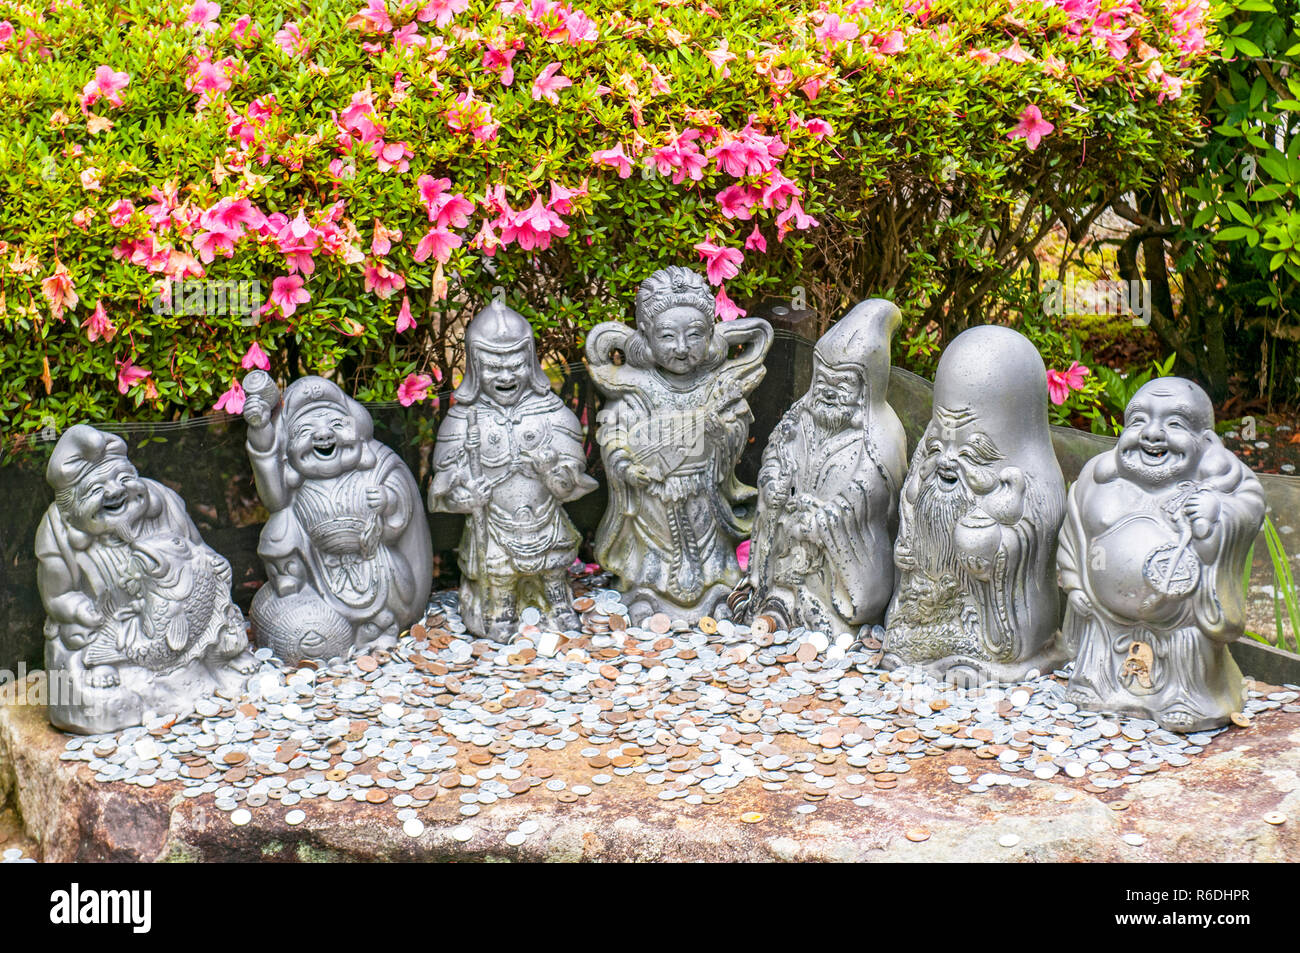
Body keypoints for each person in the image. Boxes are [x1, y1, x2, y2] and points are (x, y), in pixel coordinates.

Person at [1058, 377, 1263, 731]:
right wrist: (1076, 584)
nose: (1152, 434)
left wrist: (1217, 514)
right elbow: (1072, 536)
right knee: (1099, 652)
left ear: (1207, 442)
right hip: (1107, 615)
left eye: (1174, 424)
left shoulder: (1219, 482)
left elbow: (1247, 511)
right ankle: (1096, 682)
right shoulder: (1099, 478)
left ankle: (1185, 697)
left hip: (1180, 618)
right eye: (1139, 421)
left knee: (1187, 643)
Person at [587, 266, 772, 624]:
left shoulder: (717, 384)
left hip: (704, 488)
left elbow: (736, 431)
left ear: (711, 335)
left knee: (710, 550)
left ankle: (718, 592)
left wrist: (722, 433)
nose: (683, 348)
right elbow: (613, 431)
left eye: (695, 335)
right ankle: (645, 594)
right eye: (668, 336)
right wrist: (624, 463)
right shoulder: (634, 387)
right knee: (653, 553)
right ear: (646, 335)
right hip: (651, 497)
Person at [429, 302, 596, 641]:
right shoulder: (464, 420)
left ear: (531, 363)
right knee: (499, 569)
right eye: (493, 367)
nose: (505, 377)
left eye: (516, 365)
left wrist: (554, 472)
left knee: (552, 563)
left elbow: (574, 478)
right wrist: (465, 496)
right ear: (475, 367)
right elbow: (443, 484)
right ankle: (499, 610)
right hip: (494, 521)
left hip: (543, 516)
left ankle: (559, 605)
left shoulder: (551, 413)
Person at [742, 299, 907, 638]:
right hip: (792, 535)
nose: (829, 392)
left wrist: (829, 518)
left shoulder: (881, 434)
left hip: (841, 550)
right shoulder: (802, 415)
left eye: (843, 384)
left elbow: (871, 489)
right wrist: (773, 478)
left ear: (866, 386)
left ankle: (829, 614)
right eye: (823, 381)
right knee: (785, 576)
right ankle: (780, 599)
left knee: (827, 589)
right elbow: (778, 451)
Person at [242, 373, 431, 662]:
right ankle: (308, 602)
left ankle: (384, 624)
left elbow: (400, 498)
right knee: (281, 523)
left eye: (336, 424)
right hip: (319, 565)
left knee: (390, 578)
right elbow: (273, 495)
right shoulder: (294, 480)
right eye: (306, 430)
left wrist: (387, 500)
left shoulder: (377, 465)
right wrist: (260, 431)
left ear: (356, 431)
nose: (323, 435)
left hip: (372, 557)